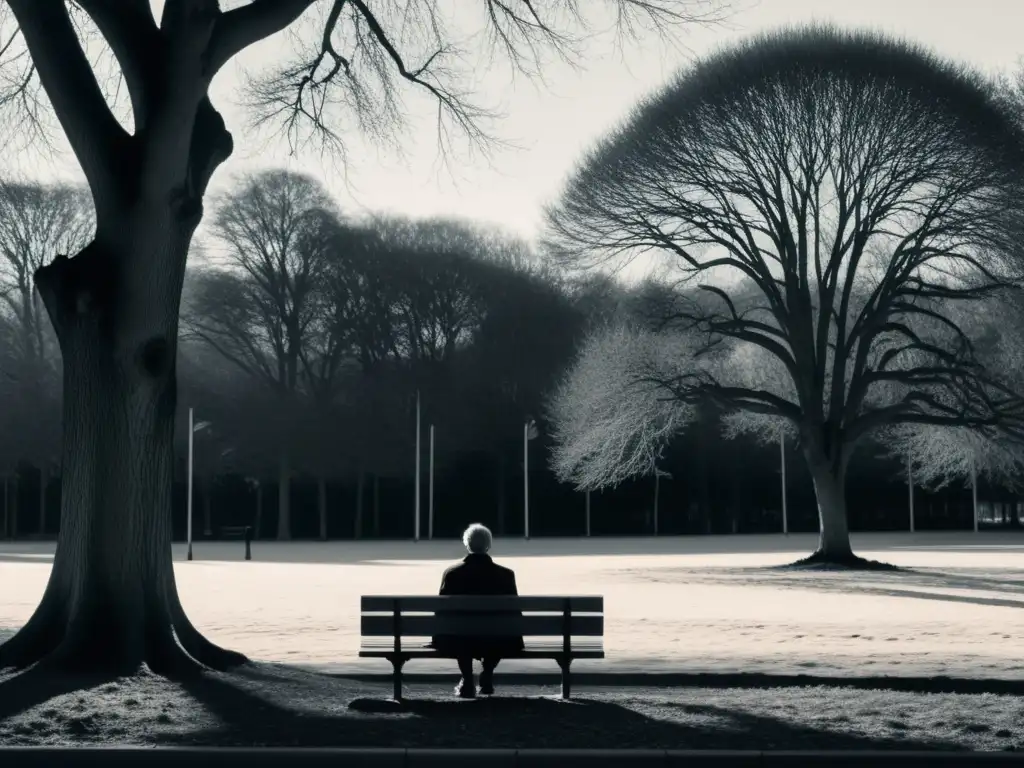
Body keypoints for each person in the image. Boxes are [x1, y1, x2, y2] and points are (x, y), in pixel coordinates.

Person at [430, 523, 524, 698]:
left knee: (460, 629)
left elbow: (442, 612)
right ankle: (487, 673)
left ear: (467, 545)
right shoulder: (506, 575)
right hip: (497, 639)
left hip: (460, 639)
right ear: (488, 546)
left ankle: (467, 679)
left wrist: (435, 638)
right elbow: (514, 612)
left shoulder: (452, 574)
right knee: (496, 628)